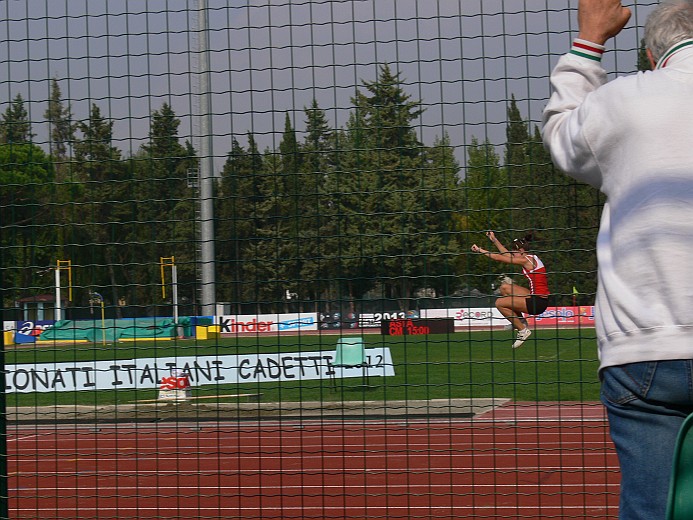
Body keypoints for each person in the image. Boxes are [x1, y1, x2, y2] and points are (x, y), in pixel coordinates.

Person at [541, 1, 693, 518]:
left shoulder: (626, 99)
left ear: (653, 55)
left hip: (644, 350)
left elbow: (562, 138)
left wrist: (588, 41)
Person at [471, 231, 550, 348]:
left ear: (521, 251)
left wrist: (480, 250)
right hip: (537, 297)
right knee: (504, 288)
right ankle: (521, 322)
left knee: (499, 303)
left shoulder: (526, 261)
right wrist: (494, 239)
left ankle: (523, 331)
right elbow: (506, 254)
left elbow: (499, 257)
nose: (512, 253)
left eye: (514, 251)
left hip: (538, 303)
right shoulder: (531, 257)